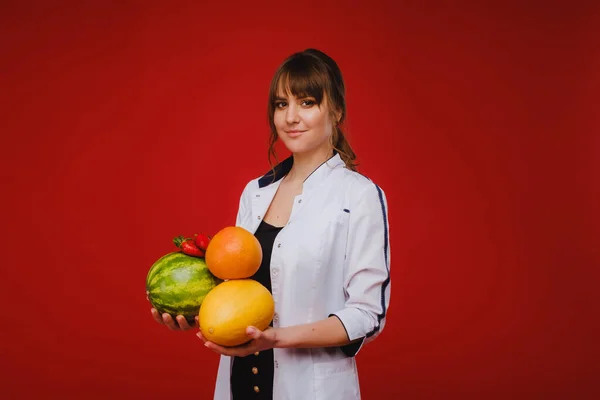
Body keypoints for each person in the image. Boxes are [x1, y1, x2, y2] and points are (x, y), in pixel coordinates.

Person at [150, 48, 391, 400]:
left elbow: (367, 314)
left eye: (307, 102)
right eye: (281, 104)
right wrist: (189, 310)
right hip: (240, 384)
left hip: (308, 388)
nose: (291, 117)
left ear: (336, 111)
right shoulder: (255, 193)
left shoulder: (359, 196)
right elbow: (233, 288)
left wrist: (276, 338)